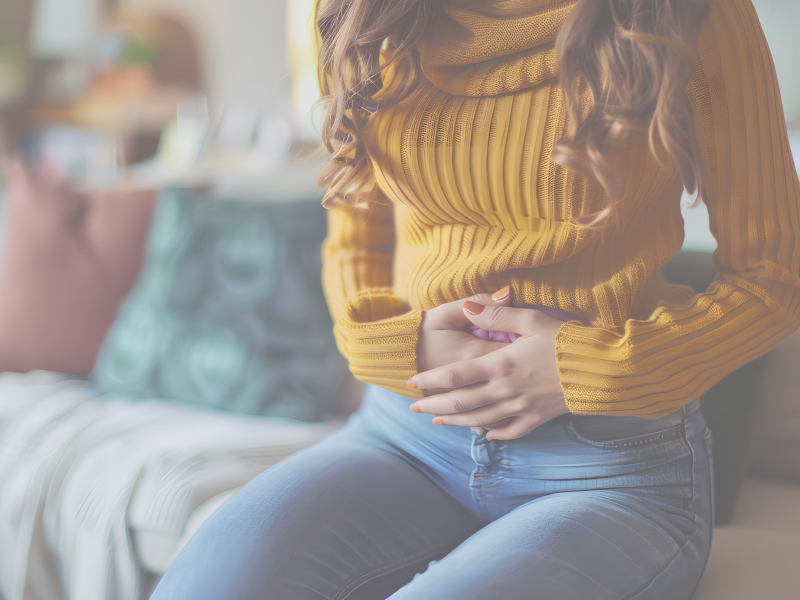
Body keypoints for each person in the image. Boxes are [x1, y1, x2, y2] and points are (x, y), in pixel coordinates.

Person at [152, 0, 800, 597]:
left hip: (608, 468)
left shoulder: (688, 13)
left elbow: (776, 275)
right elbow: (355, 234)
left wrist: (586, 368)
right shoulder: (360, 11)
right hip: (406, 436)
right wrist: (395, 347)